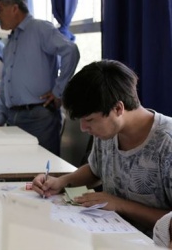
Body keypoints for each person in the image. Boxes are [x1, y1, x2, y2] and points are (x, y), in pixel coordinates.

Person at [32, 60, 172, 236]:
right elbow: (96, 170)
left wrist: (120, 205)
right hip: (108, 235)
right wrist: (61, 182)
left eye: (89, 120)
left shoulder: (166, 143)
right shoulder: (108, 132)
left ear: (118, 108)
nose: (83, 128)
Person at [0, 0, 80, 156]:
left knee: (44, 171)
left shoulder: (40, 28)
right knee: (18, 169)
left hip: (39, 118)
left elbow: (70, 50)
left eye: (0, 9)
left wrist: (58, 91)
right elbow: (6, 82)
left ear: (14, 8)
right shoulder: (10, 42)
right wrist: (0, 118)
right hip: (13, 118)